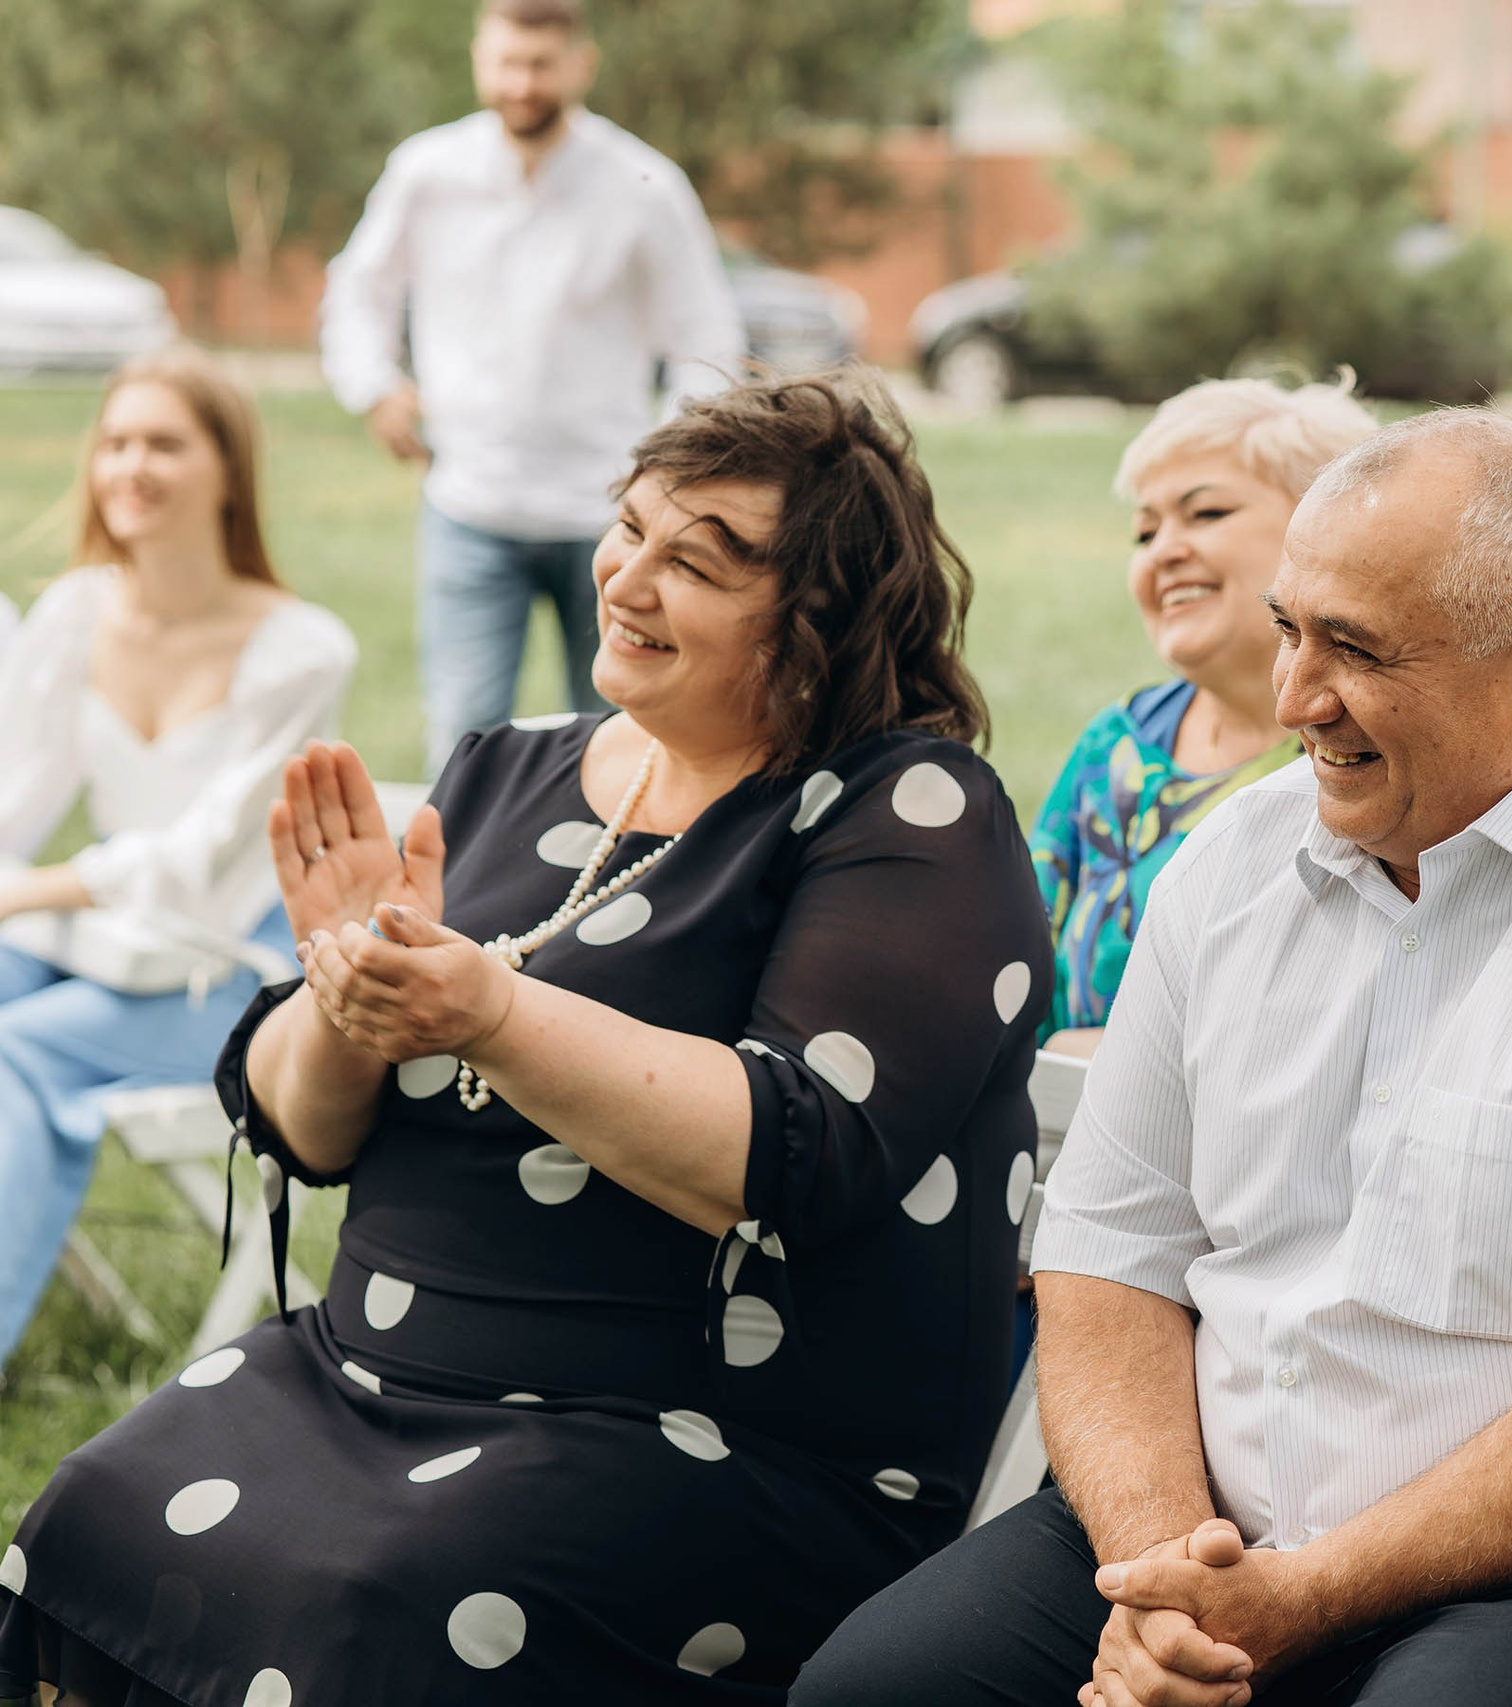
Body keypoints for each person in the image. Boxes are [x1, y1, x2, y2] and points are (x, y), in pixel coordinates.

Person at [794, 408, 1512, 1707]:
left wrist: (1305, 1598)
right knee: (879, 1687)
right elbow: (1104, 1257)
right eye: (1289, 628)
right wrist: (1172, 1580)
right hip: (1223, 1524)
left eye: (1355, 650)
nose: (1291, 699)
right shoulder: (1234, 866)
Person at [0, 370, 1051, 1705]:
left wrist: (488, 1012)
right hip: (367, 1377)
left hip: (723, 1439)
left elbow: (793, 1154)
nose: (629, 575)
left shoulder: (902, 807)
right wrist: (348, 992)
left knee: (381, 1609)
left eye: (700, 561)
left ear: (823, 611)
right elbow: (305, 1131)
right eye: (629, 528)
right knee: (93, 1510)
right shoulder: (508, 766)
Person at [0, 348, 355, 1368]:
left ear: (228, 472)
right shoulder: (76, 613)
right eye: (114, 442)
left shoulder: (303, 648)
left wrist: (34, 890)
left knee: (20, 1049)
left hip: (230, 971)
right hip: (106, 940)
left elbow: (205, 856)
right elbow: (19, 796)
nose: (130, 467)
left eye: (164, 443)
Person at [319, 0, 746, 773]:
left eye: (541, 65)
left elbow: (706, 342)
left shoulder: (643, 186)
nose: (522, 83)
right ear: (480, 58)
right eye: (507, 63)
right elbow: (357, 290)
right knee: (464, 737)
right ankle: (458, 894)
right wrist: (374, 386)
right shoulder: (428, 172)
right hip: (469, 508)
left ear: (582, 63)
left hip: (613, 522)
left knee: (625, 737)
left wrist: (666, 471)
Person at [1033, 375, 1378, 1056]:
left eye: (1206, 513)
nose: (1163, 550)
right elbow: (1007, 979)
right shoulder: (1116, 746)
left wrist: (1110, 1060)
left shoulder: (1364, 759)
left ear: (1326, 531)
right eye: (1145, 529)